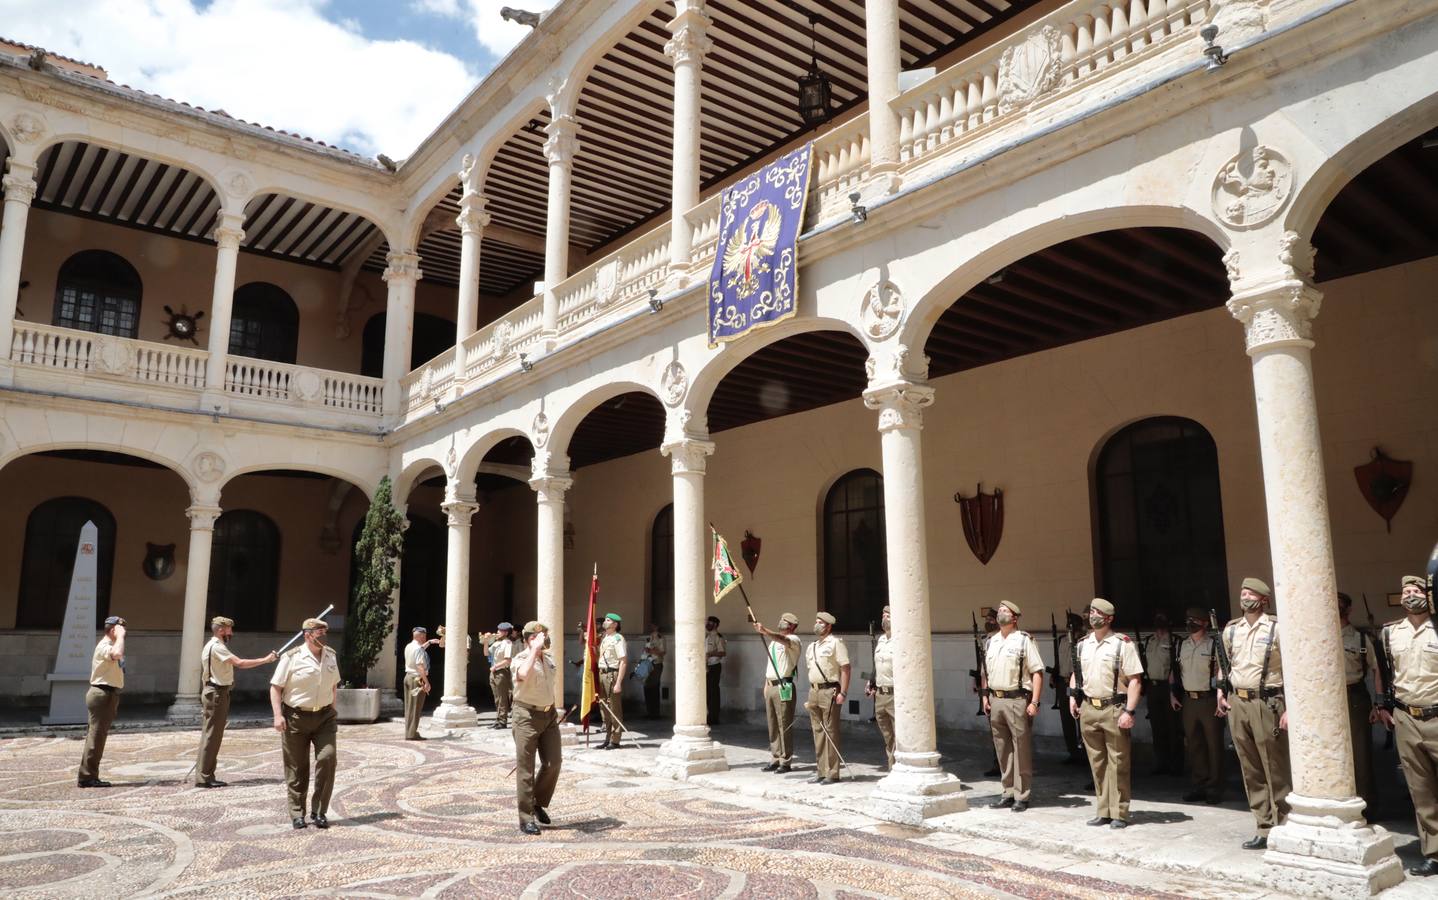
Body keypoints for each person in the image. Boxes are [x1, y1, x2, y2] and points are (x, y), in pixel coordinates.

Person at [1217, 577, 1290, 850]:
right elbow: (1226, 664)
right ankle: (1264, 825)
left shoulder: (1276, 628)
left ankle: (1285, 824)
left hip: (1267, 702)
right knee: (1250, 768)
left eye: (1250, 594)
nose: (1245, 597)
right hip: (1238, 701)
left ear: (1263, 600)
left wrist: (1290, 709)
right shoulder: (1231, 630)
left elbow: (1291, 670)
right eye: (1242, 593)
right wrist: (1221, 691)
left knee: (1275, 766)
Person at [1374, 575, 1438, 877]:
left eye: (1416, 591)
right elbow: (1384, 671)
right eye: (1406, 591)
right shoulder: (1389, 634)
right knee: (1420, 788)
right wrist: (1383, 705)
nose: (1410, 595)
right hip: (1406, 717)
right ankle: (1434, 852)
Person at [1069, 598, 1143, 828]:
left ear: (1109, 618)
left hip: (1113, 708)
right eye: (1091, 612)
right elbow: (1076, 673)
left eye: (1097, 613)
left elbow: (1135, 680)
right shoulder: (1082, 644)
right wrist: (1073, 696)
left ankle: (1119, 812)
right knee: (1097, 763)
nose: (1092, 616)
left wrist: (1129, 710)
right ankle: (1103, 810)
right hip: (1089, 708)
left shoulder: (1122, 644)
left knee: (1118, 762)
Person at [269, 617, 340, 830]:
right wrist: (277, 715)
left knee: (328, 759)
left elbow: (334, 684)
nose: (324, 637)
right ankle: (297, 812)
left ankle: (319, 811)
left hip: (325, 717)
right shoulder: (291, 657)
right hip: (296, 717)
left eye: (325, 633)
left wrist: (334, 710)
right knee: (297, 767)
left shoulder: (331, 655)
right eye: (319, 633)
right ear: (307, 634)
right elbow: (276, 687)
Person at [195, 616, 277, 785]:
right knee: (212, 736)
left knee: (211, 735)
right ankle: (204, 777)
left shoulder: (213, 645)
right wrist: (266, 660)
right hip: (216, 693)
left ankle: (206, 774)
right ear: (220, 630)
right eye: (228, 629)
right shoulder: (217, 647)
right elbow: (239, 663)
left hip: (216, 692)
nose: (231, 633)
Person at [983, 600, 1046, 812]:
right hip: (996, 699)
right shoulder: (991, 641)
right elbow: (985, 672)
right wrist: (985, 697)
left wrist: (1035, 702)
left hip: (1018, 699)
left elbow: (1037, 672)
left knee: (1021, 749)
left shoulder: (1024, 640)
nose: (1001, 613)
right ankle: (1007, 791)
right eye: (999, 610)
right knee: (1002, 749)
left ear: (1015, 617)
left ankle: (1022, 794)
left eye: (1005, 611)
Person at [512, 621, 561, 835]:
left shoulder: (548, 660)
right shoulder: (521, 659)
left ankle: (537, 801)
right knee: (526, 768)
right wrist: (533, 650)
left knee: (553, 762)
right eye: (539, 637)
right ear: (530, 639)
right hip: (526, 715)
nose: (544, 640)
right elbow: (522, 674)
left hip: (548, 715)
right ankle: (525, 818)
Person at [1172, 607, 1224, 804]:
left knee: (1213, 745)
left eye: (1194, 620)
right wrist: (1172, 693)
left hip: (1209, 699)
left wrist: (1221, 695)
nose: (1190, 623)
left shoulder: (1213, 645)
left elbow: (1221, 671)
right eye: (1188, 619)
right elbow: (1175, 670)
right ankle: (1199, 785)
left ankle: (1214, 788)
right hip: (1188, 699)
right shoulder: (1182, 645)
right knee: (1194, 744)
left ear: (1204, 623)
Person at [1337, 593, 1376, 814]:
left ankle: (1366, 805)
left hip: (1354, 696)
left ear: (1349, 609)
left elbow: (1376, 669)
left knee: (1360, 755)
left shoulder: (1360, 638)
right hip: (1325, 699)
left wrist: (1377, 703)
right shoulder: (1320, 635)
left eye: (1340, 604)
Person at [78, 615, 126, 788]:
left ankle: (88, 774)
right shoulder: (105, 646)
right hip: (102, 693)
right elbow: (117, 654)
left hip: (108, 693)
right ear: (113, 630)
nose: (124, 633)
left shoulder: (110, 645)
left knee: (97, 736)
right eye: (121, 629)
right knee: (96, 736)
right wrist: (120, 637)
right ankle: (87, 776)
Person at [752, 612, 802, 773]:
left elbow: (784, 640)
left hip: (783, 686)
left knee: (784, 725)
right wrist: (766, 684)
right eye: (781, 619)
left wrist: (765, 631)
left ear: (792, 626)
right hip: (771, 685)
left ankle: (785, 761)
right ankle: (775, 757)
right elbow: (771, 667)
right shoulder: (773, 643)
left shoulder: (793, 640)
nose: (781, 622)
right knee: (773, 724)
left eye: (785, 621)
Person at [804, 611, 850, 785]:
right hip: (814, 691)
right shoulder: (812, 646)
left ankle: (833, 772)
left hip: (830, 690)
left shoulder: (836, 643)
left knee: (830, 732)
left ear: (828, 626)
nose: (817, 625)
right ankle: (821, 771)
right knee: (818, 732)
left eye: (821, 622)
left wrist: (843, 692)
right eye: (816, 621)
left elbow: (845, 668)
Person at [1142, 612, 1183, 776]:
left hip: (1169, 687)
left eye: (1162, 620)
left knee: (1173, 727)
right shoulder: (1148, 641)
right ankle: (1161, 762)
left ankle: (1176, 764)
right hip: (1153, 687)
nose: (1159, 623)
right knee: (1157, 727)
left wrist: (1174, 690)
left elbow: (1177, 667)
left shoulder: (1176, 641)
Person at [1057, 610, 1087, 765]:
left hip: (1079, 685)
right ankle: (1073, 752)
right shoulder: (1062, 639)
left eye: (1072, 624)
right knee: (1066, 719)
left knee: (1081, 719)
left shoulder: (1083, 641)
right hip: (1064, 682)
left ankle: (1085, 753)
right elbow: (1059, 661)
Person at [868, 606, 896, 770]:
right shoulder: (881, 640)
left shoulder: (900, 640)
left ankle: (898, 768)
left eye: (888, 615)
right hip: (880, 693)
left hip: (894, 693)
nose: (884, 617)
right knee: (887, 734)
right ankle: (892, 766)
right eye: (883, 615)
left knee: (899, 734)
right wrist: (871, 682)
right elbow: (877, 665)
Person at [597, 613, 628, 749]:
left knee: (614, 708)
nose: (605, 622)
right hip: (602, 673)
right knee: (604, 707)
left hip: (612, 674)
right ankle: (607, 737)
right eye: (605, 620)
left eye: (608, 620)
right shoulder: (605, 637)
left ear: (615, 624)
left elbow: (623, 661)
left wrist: (618, 682)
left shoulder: (618, 639)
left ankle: (615, 740)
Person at [402, 626, 434, 740]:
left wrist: (429, 643)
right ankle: (412, 734)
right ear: (421, 636)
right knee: (416, 707)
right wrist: (426, 682)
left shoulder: (409, 646)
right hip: (416, 679)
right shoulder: (418, 649)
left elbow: (419, 650)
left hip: (408, 677)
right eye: (424, 636)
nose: (425, 638)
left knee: (409, 707)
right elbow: (420, 667)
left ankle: (409, 732)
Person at [486, 622, 516, 729]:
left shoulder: (507, 643)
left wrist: (495, 667)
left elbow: (507, 660)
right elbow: (486, 653)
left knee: (502, 697)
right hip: (494, 672)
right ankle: (498, 719)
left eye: (500, 630)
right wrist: (485, 641)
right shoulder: (496, 643)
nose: (497, 632)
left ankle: (503, 721)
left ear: (506, 632)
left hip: (501, 672)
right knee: (497, 697)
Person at [641, 623, 665, 718]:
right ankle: (649, 711)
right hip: (647, 664)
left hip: (656, 664)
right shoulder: (649, 637)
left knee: (654, 688)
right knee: (647, 687)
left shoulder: (660, 638)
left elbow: (663, 652)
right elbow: (645, 650)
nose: (651, 627)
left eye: (653, 625)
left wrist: (651, 651)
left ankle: (655, 713)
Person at [705, 615, 726, 725]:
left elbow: (723, 653)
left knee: (713, 692)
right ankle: (708, 715)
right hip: (706, 667)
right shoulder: (707, 636)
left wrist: (710, 653)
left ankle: (714, 717)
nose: (707, 625)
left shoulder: (718, 637)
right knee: (707, 692)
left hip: (714, 666)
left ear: (715, 625)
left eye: (710, 623)